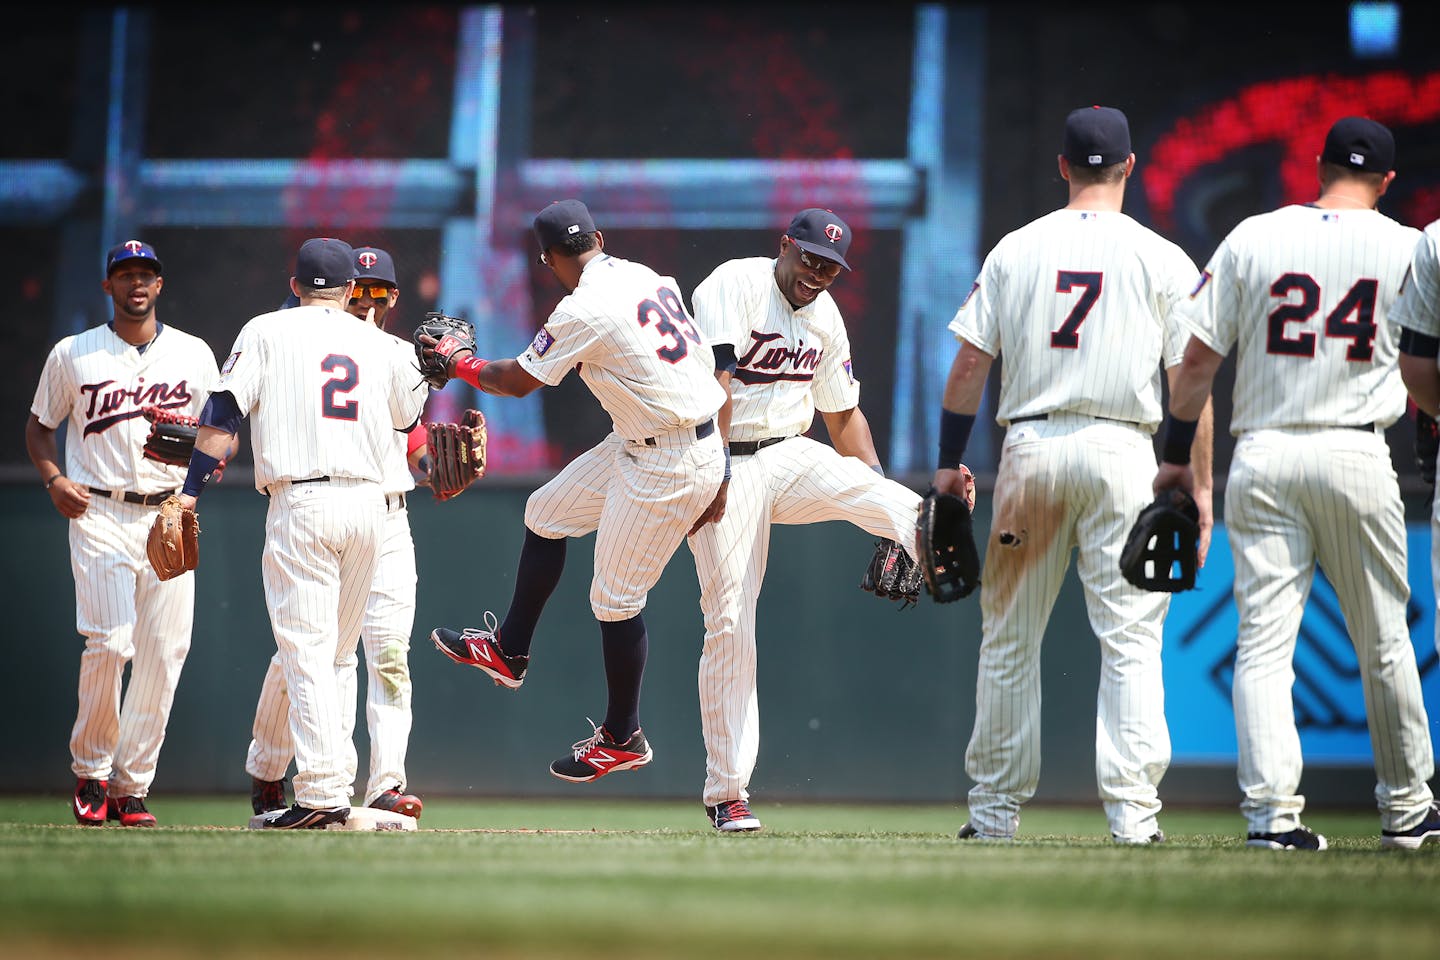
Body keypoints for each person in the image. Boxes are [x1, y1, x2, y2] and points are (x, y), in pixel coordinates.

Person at [1155, 116, 1439, 850]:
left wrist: (1176, 450)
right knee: (1383, 642)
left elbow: (1195, 363)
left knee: (1262, 645)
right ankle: (1408, 811)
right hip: (1356, 450)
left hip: (1266, 454)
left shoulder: (1255, 235)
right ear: (1387, 181)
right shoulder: (1410, 245)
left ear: (1317, 166)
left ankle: (1271, 818)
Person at [936, 106, 1213, 844]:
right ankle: (1133, 818)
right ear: (1129, 166)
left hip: (1031, 449)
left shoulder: (1016, 250)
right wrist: (1197, 484)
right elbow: (1190, 380)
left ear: (1062, 166)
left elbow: (969, 366)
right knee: (1130, 639)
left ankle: (993, 816)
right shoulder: (1162, 257)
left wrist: (943, 464)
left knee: (1010, 639)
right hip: (1125, 452)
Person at [428, 199, 726, 783]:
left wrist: (458, 362)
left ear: (547, 259)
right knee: (545, 511)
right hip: (662, 438)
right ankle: (508, 650)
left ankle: (623, 736)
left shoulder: (583, 307)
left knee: (614, 601)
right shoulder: (643, 274)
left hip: (669, 459)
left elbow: (514, 383)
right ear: (599, 237)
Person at [683, 209, 948, 832]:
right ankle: (728, 793)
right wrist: (715, 475)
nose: (818, 273)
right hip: (725, 458)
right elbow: (720, 384)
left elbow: (844, 417)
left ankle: (928, 537)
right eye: (810, 259)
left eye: (830, 266)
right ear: (785, 247)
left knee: (871, 487)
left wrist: (882, 504)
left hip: (787, 452)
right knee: (728, 622)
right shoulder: (734, 284)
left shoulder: (825, 317)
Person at [178, 237, 429, 829]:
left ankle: (321, 793)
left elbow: (221, 416)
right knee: (337, 654)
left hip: (303, 500)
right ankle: (327, 782)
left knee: (309, 650)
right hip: (369, 505)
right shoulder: (381, 344)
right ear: (347, 292)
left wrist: (189, 492)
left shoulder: (265, 330)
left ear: (295, 285)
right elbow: (408, 423)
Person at [26, 240, 221, 827]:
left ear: (160, 285)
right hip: (100, 510)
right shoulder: (74, 353)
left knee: (164, 652)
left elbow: (223, 433)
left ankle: (132, 787)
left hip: (169, 511)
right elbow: (39, 429)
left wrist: (202, 462)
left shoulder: (193, 354)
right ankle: (93, 769)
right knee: (111, 642)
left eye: (147, 274)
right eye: (126, 274)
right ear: (108, 286)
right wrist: (53, 477)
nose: (137, 282)